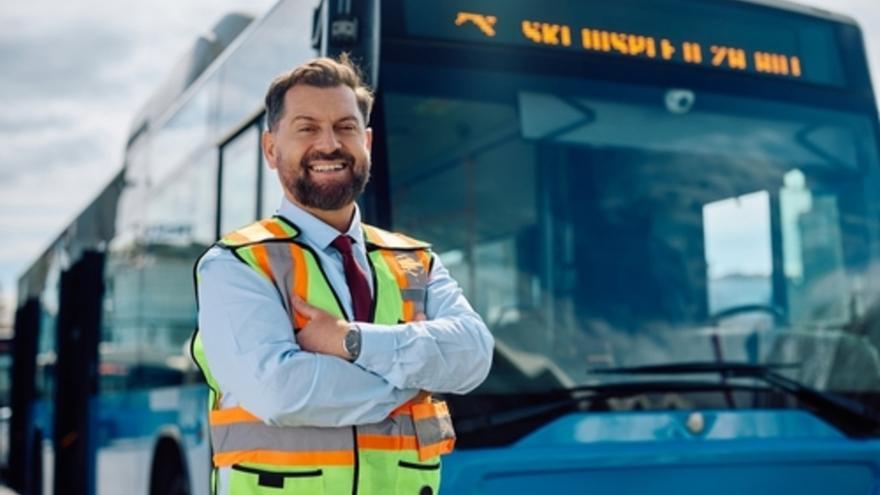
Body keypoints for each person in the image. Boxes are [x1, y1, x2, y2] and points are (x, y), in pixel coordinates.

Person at [191, 55, 494, 495]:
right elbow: (281, 393)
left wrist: (350, 341)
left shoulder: (415, 260)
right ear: (272, 149)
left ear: (366, 141)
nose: (330, 143)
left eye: (346, 127)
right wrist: (415, 377)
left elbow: (474, 356)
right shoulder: (236, 263)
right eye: (307, 127)